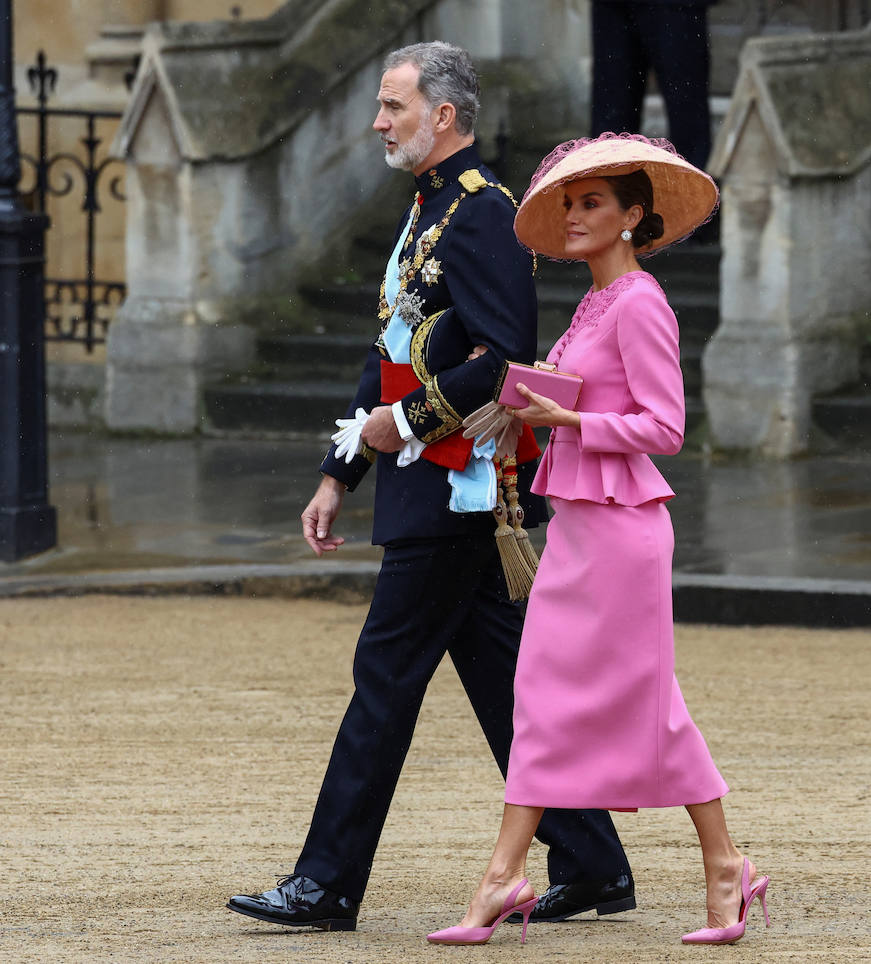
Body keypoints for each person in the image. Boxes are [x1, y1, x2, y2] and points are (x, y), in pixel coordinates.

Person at [225, 42, 634, 934]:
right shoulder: (427, 211)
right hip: (427, 488)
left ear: (443, 116)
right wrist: (342, 469)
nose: (379, 122)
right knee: (504, 686)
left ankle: (326, 883)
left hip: (456, 488)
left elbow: (501, 361)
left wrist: (403, 428)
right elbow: (393, 355)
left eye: (393, 107)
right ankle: (595, 863)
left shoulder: (484, 215)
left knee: (383, 681)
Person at [425, 132, 769, 947]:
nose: (574, 217)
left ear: (633, 217)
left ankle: (713, 867)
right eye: (569, 204)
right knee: (549, 697)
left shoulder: (642, 301)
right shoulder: (595, 301)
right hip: (584, 527)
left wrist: (567, 415)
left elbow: (666, 427)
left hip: (622, 534)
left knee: (622, 704)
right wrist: (530, 410)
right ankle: (706, 866)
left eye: (592, 204)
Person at [590, 0, 718, 169]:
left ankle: (694, 189)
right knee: (611, 120)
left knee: (686, 110)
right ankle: (604, 186)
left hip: (676, 5)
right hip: (612, 7)